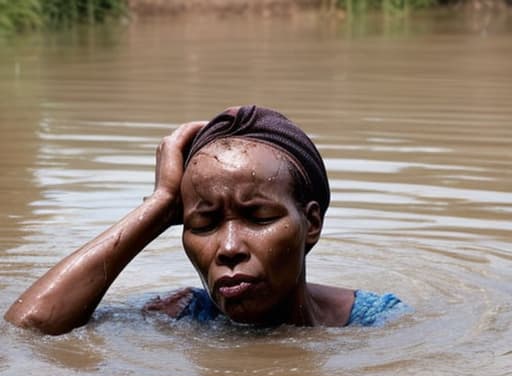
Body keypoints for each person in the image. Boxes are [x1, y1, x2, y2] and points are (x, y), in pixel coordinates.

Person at [4, 105, 409, 335]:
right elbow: (29, 329)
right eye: (203, 224)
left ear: (312, 224)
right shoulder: (182, 316)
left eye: (258, 216)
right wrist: (161, 204)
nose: (229, 248)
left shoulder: (376, 325)